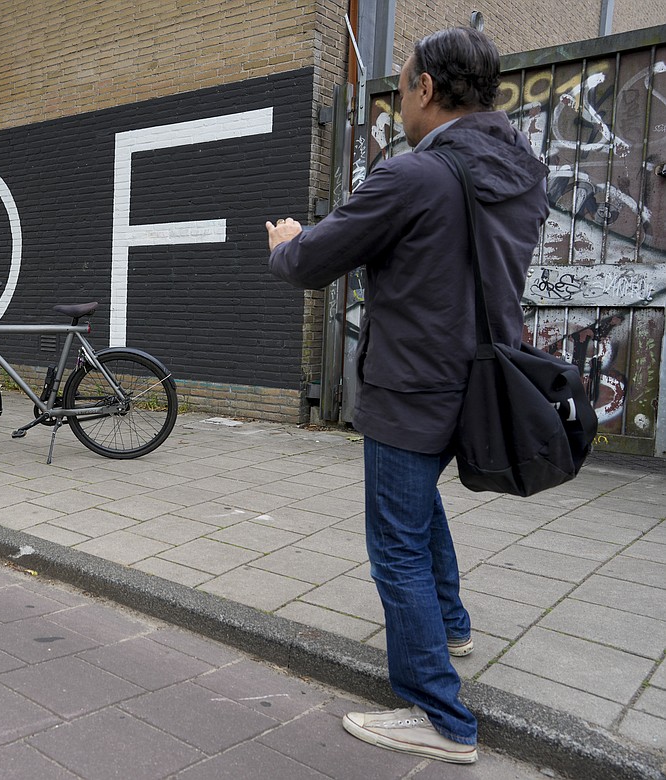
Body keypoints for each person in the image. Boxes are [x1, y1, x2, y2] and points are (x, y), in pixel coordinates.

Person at [266, 27, 549, 764]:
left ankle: (439, 715)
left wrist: (286, 241)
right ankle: (450, 623)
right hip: (482, 381)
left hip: (411, 382)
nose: (396, 95)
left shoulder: (414, 175)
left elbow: (312, 263)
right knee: (418, 510)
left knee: (395, 545)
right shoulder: (522, 168)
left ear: (427, 89)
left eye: (401, 81)